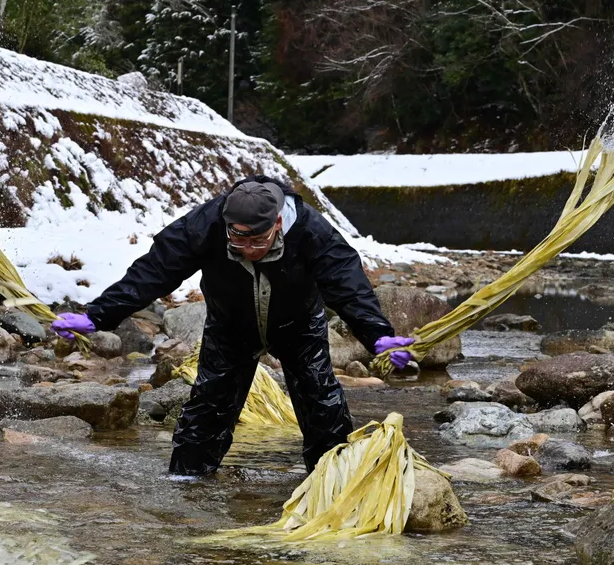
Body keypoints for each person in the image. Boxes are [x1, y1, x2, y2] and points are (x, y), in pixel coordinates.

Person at [51, 176, 415, 475]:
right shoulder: (206, 224)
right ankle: (187, 483)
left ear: (277, 224)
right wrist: (98, 315)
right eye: (238, 238)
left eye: (258, 240)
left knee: (323, 405)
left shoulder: (310, 230)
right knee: (208, 407)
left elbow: (347, 284)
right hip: (230, 325)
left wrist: (377, 334)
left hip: (298, 325)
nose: (248, 248)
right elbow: (155, 271)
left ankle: (333, 483)